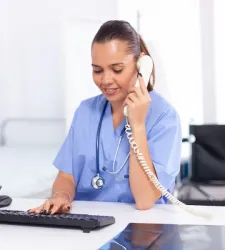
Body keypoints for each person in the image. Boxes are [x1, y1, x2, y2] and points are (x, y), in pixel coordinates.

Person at [28, 20, 182, 215]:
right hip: (88, 227)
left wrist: (137, 125)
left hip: (141, 230)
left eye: (117, 69)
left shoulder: (164, 118)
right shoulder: (85, 111)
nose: (106, 80)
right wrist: (62, 196)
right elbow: (67, 177)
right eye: (97, 70)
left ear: (141, 64)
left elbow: (144, 201)